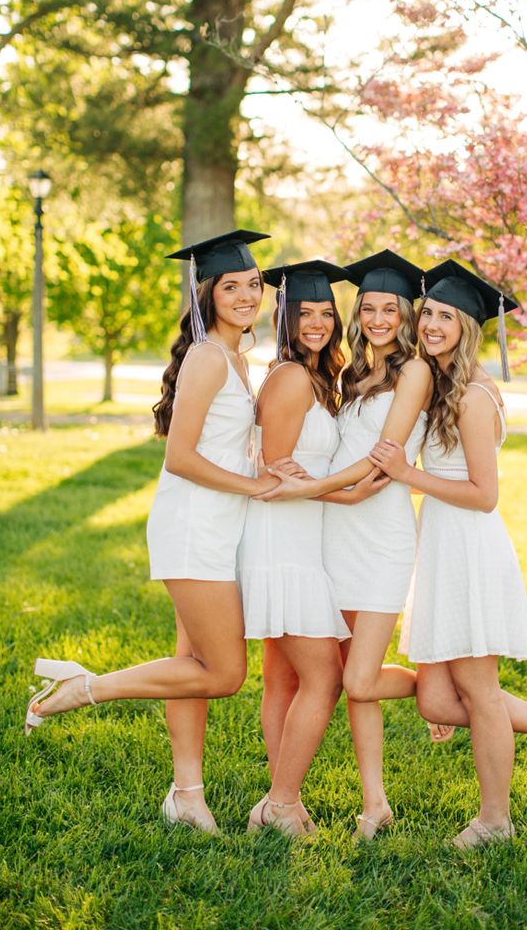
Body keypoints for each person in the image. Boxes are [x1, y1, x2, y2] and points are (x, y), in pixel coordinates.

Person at [24, 229, 277, 834]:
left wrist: (260, 472)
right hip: (194, 527)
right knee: (224, 672)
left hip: (217, 526)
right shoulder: (208, 356)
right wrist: (254, 486)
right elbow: (181, 457)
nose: (246, 296)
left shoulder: (237, 356)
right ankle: (85, 689)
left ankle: (187, 795)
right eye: (231, 286)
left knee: (189, 661)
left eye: (253, 284)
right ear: (207, 293)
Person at [370, 259, 527, 849]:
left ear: (469, 327)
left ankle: (495, 821)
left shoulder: (475, 396)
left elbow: (484, 495)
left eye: (445, 317)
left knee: (479, 694)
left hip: (469, 547)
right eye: (428, 313)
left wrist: (409, 474)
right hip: (442, 545)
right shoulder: (439, 383)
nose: (430, 325)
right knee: (435, 697)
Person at [265, 250, 432, 839]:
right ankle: (375, 805)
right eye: (369, 308)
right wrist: (326, 497)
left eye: (390, 308)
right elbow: (343, 463)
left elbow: (378, 461)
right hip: (334, 540)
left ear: (407, 314)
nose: (379, 318)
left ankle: (438, 689)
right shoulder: (350, 375)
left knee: (358, 679)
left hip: (381, 536)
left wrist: (310, 491)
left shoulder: (415, 372)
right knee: (348, 679)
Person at [238, 260, 362, 836]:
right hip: (280, 546)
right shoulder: (290, 378)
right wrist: (348, 488)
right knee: (325, 679)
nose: (316, 323)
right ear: (285, 317)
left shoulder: (315, 377)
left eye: (325, 313)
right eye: (304, 313)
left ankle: (277, 800)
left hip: (300, 543)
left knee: (283, 680)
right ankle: (283, 802)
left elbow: (295, 472)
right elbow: (269, 477)